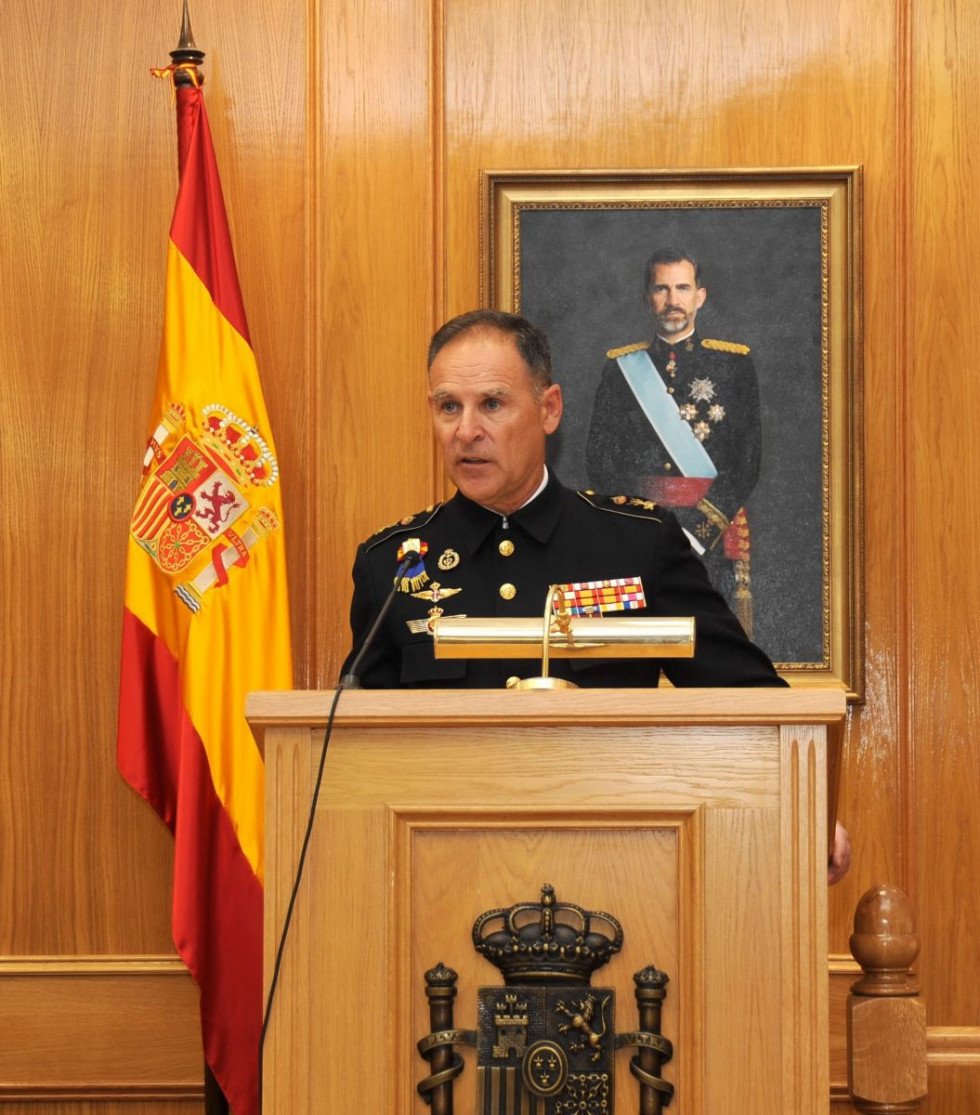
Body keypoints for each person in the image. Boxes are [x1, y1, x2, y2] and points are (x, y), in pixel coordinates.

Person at [341, 308, 850, 883]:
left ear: (549, 408)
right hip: (443, 875)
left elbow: (745, 694)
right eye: (448, 407)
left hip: (617, 872)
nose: (466, 431)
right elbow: (354, 748)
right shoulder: (393, 565)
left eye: (492, 403)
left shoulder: (636, 542)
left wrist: (805, 803)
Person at [585, 248, 761, 634]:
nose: (672, 300)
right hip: (640, 531)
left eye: (682, 288)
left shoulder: (734, 366)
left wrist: (698, 530)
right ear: (647, 297)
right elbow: (600, 462)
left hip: (710, 534)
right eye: (661, 288)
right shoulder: (620, 370)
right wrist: (643, 526)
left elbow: (746, 461)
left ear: (700, 296)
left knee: (711, 640)